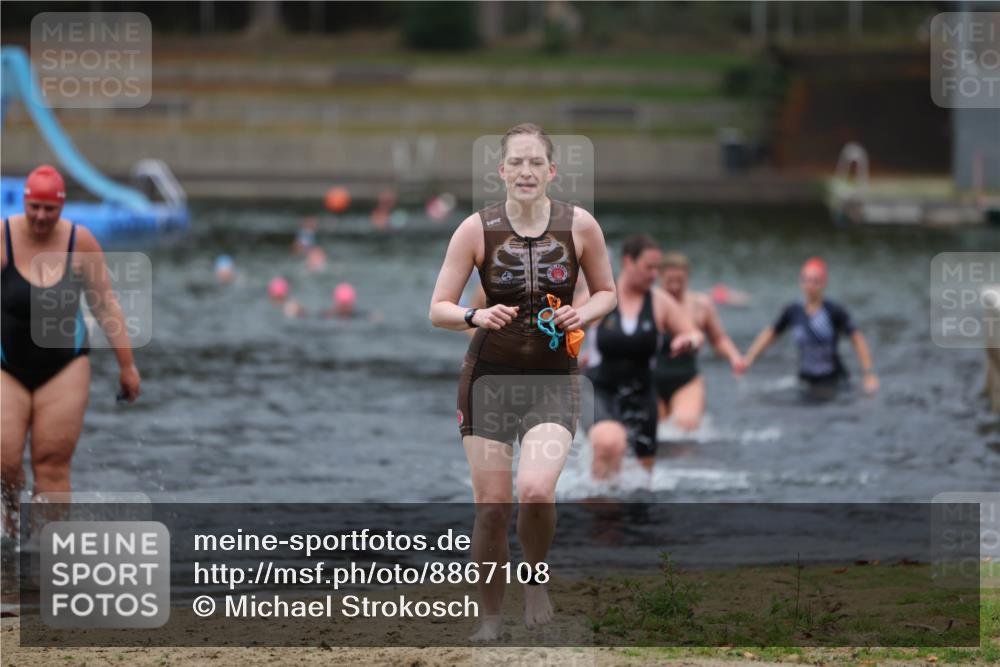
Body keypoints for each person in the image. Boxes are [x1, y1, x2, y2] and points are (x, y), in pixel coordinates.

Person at [429, 123, 616, 639]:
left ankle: (534, 579)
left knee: (535, 491)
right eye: (518, 162)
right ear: (502, 171)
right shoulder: (474, 230)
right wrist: (473, 317)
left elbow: (607, 292)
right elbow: (437, 309)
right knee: (492, 508)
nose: (527, 171)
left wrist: (584, 314)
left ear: (552, 171)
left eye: (537, 163)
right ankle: (490, 619)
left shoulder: (580, 226)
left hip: (553, 379)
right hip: (488, 378)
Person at [1, 165, 141, 537]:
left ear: (62, 208)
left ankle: (47, 551)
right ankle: (11, 534)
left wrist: (127, 366)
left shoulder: (82, 243)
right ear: (24, 203)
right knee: (4, 463)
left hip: (64, 367)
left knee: (51, 463)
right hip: (6, 367)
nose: (41, 216)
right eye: (35, 207)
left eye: (50, 209)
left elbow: (106, 305)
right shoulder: (3, 237)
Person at [583, 239, 703, 479]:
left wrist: (687, 341)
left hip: (642, 395)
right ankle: (597, 506)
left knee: (642, 478)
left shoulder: (659, 302)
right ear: (628, 261)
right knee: (609, 442)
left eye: (658, 268)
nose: (655, 274)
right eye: (649, 267)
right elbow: (560, 329)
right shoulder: (597, 296)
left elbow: (694, 333)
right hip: (599, 390)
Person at [740, 257, 879, 396]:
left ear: (824, 283)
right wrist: (748, 359)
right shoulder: (793, 311)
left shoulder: (834, 311)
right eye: (806, 280)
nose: (810, 285)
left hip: (833, 380)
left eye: (815, 281)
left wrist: (869, 374)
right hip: (805, 379)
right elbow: (770, 334)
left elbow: (857, 339)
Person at [655, 252, 745, 431]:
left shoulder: (700, 305)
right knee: (654, 428)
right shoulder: (648, 303)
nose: (674, 286)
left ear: (687, 277)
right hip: (650, 379)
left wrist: (734, 357)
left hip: (686, 379)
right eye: (670, 280)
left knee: (685, 427)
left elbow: (718, 339)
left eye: (679, 280)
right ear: (659, 276)